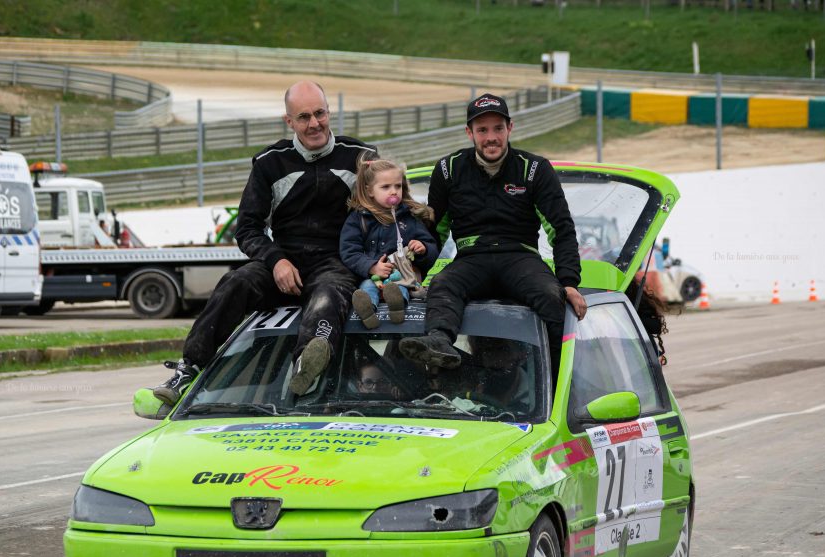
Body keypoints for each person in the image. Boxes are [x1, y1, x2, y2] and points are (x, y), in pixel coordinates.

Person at [152, 81, 375, 404]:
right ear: (289, 122)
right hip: (283, 262)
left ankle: (306, 372)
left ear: (330, 112)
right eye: (303, 117)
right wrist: (276, 261)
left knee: (328, 297)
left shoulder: (360, 157)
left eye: (320, 113)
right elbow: (247, 228)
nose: (314, 124)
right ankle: (189, 370)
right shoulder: (270, 163)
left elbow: (387, 209)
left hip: (337, 262)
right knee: (234, 282)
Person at [399, 93, 587, 382]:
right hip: (471, 258)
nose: (491, 137)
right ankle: (438, 343)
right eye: (482, 130)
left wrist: (569, 282)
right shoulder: (448, 169)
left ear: (510, 128)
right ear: (469, 132)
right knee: (443, 284)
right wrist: (416, 274)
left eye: (497, 128)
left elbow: (561, 228)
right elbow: (433, 232)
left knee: (552, 297)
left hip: (521, 257)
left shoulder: (534, 168)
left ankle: (559, 378)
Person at [339, 156, 438, 329]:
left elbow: (431, 247)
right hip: (373, 276)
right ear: (369, 190)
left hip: (401, 276)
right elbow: (349, 251)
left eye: (398, 186)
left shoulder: (409, 218)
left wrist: (423, 249)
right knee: (367, 287)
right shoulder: (358, 219)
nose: (394, 191)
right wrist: (371, 267)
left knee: (400, 287)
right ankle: (367, 310)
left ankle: (397, 307)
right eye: (386, 187)